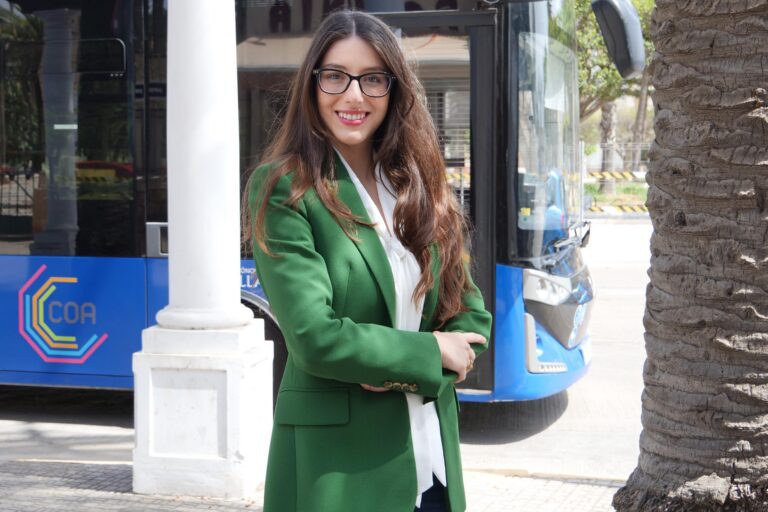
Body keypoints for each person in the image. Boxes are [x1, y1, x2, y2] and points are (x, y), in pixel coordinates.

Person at [244, 10, 492, 512]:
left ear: (394, 90)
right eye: (335, 76)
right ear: (312, 85)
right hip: (338, 470)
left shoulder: (416, 185)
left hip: (431, 461)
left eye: (372, 79)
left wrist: (411, 366)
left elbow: (469, 315)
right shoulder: (285, 189)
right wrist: (429, 354)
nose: (353, 96)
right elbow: (316, 339)